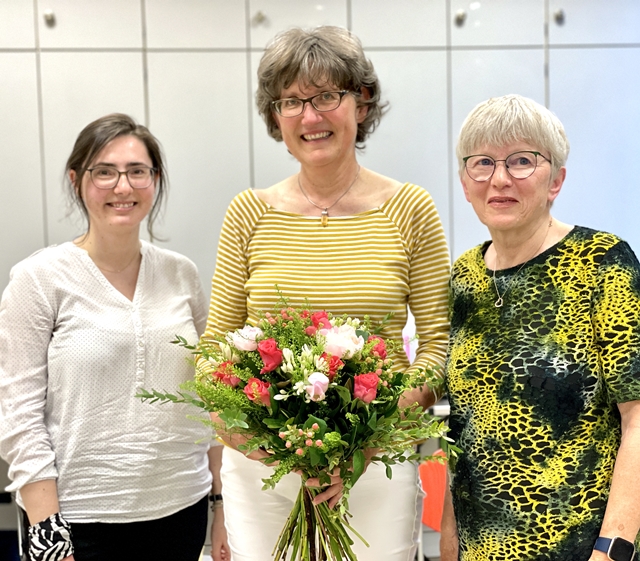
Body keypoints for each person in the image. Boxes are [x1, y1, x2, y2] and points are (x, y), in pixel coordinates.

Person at [203, 26, 450, 561]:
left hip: (377, 463)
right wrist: (263, 442)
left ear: (361, 103)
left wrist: (361, 442)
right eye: (291, 101)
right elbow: (213, 351)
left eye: (325, 97)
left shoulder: (410, 210)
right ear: (275, 116)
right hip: (265, 468)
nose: (309, 117)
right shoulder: (249, 213)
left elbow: (437, 347)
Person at [0, 114, 220, 561]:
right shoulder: (38, 279)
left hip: (181, 506)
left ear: (154, 180)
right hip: (79, 520)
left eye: (138, 171)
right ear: (77, 180)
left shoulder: (182, 274)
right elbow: (19, 414)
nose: (123, 187)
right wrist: (48, 531)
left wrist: (221, 507)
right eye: (105, 171)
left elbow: (213, 396)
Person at [442, 94, 640, 561]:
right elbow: (462, 432)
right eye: (483, 163)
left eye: (522, 161)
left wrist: (614, 547)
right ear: (465, 182)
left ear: (556, 180)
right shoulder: (463, 276)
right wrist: (449, 543)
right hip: (478, 549)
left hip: (580, 547)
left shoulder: (603, 262)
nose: (500, 178)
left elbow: (639, 415)